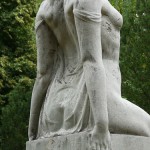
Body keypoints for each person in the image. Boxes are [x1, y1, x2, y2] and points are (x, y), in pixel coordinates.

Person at [28, 0, 150, 149]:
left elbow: (43, 75)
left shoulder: (45, 7)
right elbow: (91, 61)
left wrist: (33, 129)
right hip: (96, 104)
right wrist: (101, 125)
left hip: (54, 112)